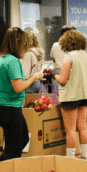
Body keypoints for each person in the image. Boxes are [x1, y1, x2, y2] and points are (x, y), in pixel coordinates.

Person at [0, 27, 44, 161]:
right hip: (10, 108)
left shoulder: (3, 59)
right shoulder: (12, 61)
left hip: (6, 106)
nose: (25, 46)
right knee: (14, 149)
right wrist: (35, 77)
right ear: (18, 43)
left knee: (23, 139)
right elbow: (19, 87)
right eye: (24, 43)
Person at [54, 30, 87, 160]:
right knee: (83, 127)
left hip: (71, 97)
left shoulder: (68, 58)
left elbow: (63, 80)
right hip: (85, 95)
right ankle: (84, 157)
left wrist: (54, 75)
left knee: (70, 130)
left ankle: (70, 160)